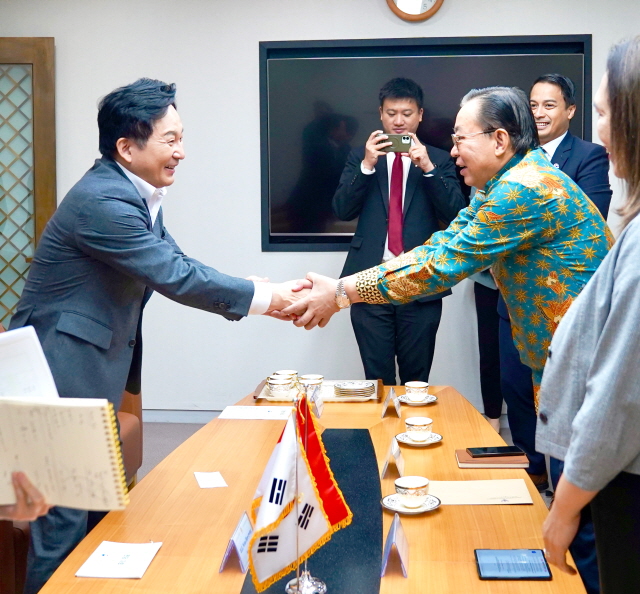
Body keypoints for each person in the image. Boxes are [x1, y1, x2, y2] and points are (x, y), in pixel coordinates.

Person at [8, 78, 306, 594]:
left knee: (99, 510)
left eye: (180, 137)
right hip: (60, 368)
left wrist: (258, 289)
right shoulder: (102, 201)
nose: (182, 152)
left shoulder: (136, 192)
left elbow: (178, 262)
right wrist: (271, 300)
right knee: (60, 522)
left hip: (89, 364)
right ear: (127, 147)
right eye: (170, 140)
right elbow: (175, 276)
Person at [284, 86, 612, 405]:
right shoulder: (504, 184)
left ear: (499, 140)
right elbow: (443, 244)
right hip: (563, 355)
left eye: (460, 139)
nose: (453, 151)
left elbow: (439, 265)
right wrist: (342, 288)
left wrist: (340, 292)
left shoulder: (524, 188)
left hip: (584, 358)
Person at [499, 73, 613, 592]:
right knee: (524, 402)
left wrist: (342, 293)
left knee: (591, 529)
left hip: (574, 347)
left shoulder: (538, 182)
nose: (453, 148)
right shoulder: (516, 176)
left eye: (606, 114)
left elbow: (445, 257)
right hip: (540, 339)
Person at [537, 36, 640, 594]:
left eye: (604, 113)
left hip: (622, 481)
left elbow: (620, 394)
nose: (599, 131)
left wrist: (565, 503)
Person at [332, 78, 466, 385]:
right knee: (376, 379)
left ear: (420, 114)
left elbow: (456, 215)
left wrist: (428, 169)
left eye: (407, 113)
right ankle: (381, 434)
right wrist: (366, 165)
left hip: (419, 279)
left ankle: (412, 434)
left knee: (415, 379)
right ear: (381, 114)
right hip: (368, 279)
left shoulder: (441, 158)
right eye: (391, 113)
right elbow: (342, 210)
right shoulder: (360, 157)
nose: (399, 121)